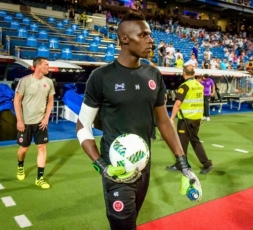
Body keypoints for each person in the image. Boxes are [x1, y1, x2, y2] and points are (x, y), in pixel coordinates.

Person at [75, 10, 201, 230]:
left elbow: (164, 122)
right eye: (143, 35)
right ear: (125, 38)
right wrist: (101, 165)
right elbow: (82, 125)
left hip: (144, 166)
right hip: (115, 170)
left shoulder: (153, 75)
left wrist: (183, 164)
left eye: (150, 35)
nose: (151, 40)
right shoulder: (101, 77)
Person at [14, 57, 55, 189]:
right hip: (25, 122)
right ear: (37, 66)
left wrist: (46, 118)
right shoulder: (25, 81)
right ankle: (20, 166)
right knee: (23, 149)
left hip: (40, 123)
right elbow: (17, 101)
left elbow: (50, 102)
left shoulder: (49, 82)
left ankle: (40, 178)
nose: (48, 67)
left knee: (41, 148)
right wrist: (19, 120)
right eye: (46, 65)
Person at [166, 65, 213, 174]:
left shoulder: (185, 86)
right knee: (194, 141)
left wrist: (171, 118)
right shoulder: (199, 85)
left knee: (182, 143)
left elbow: (177, 104)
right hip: (196, 119)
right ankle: (207, 164)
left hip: (186, 120)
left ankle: (182, 165)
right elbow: (200, 103)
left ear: (184, 73)